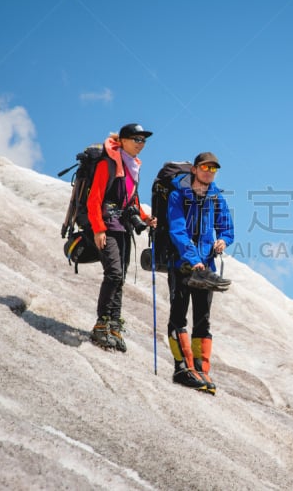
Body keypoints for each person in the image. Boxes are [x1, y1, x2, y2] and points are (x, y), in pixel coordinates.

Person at [167, 151, 234, 393]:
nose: (209, 172)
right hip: (182, 265)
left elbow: (226, 228)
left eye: (214, 169)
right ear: (194, 169)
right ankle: (182, 368)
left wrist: (223, 241)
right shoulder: (177, 195)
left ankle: (201, 370)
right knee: (179, 316)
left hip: (206, 268)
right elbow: (177, 231)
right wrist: (194, 260)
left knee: (203, 320)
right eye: (205, 167)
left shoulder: (216, 198)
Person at [87, 123, 157, 351]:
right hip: (107, 226)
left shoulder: (132, 167)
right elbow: (94, 198)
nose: (141, 144)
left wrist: (145, 217)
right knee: (114, 273)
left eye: (143, 140)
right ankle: (101, 326)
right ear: (123, 140)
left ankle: (115, 327)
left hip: (124, 226)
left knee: (121, 277)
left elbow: (131, 199)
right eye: (137, 139)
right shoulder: (108, 163)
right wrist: (98, 228)